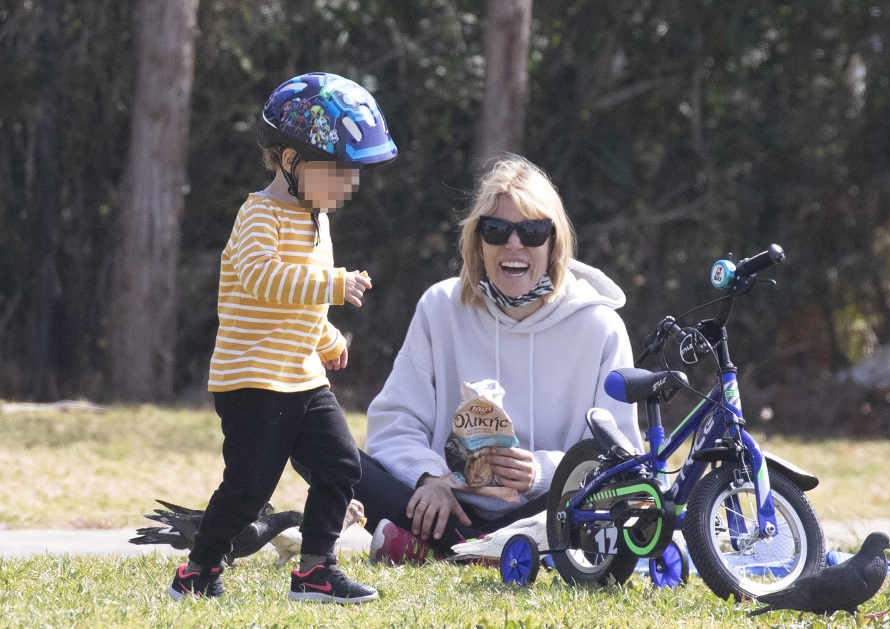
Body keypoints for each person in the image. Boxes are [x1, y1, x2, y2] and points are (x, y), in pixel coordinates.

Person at [166, 72, 396, 603]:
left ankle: (316, 569)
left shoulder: (317, 221)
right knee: (248, 492)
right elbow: (266, 281)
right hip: (251, 379)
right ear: (290, 161)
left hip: (301, 376)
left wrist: (326, 337)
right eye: (338, 172)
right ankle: (197, 570)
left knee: (342, 464)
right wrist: (335, 285)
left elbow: (301, 305)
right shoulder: (258, 215)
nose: (349, 186)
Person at [354, 155, 641, 564]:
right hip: (447, 505)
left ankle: (441, 548)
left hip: (544, 511)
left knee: (597, 508)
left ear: (554, 242)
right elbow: (394, 423)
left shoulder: (601, 326)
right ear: (477, 241)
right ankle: (480, 550)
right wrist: (430, 477)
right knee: (327, 449)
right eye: (496, 230)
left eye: (532, 231)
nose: (514, 244)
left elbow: (621, 455)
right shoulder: (440, 306)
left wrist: (541, 473)